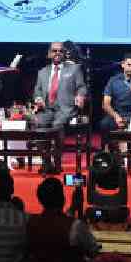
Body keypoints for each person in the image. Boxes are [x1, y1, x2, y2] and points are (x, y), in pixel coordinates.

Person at [32, 42, 87, 172]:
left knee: (57, 125)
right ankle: (46, 161)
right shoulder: (42, 72)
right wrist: (38, 98)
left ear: (64, 54)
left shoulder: (74, 69)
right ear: (49, 54)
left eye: (60, 51)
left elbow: (82, 87)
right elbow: (37, 91)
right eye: (54, 51)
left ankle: (57, 163)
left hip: (65, 109)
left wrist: (80, 95)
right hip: (46, 109)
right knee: (38, 124)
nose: (57, 53)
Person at [100, 53, 131, 146]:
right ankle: (107, 153)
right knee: (104, 124)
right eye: (129, 65)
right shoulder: (113, 80)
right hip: (118, 114)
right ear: (123, 64)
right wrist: (116, 117)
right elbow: (105, 104)